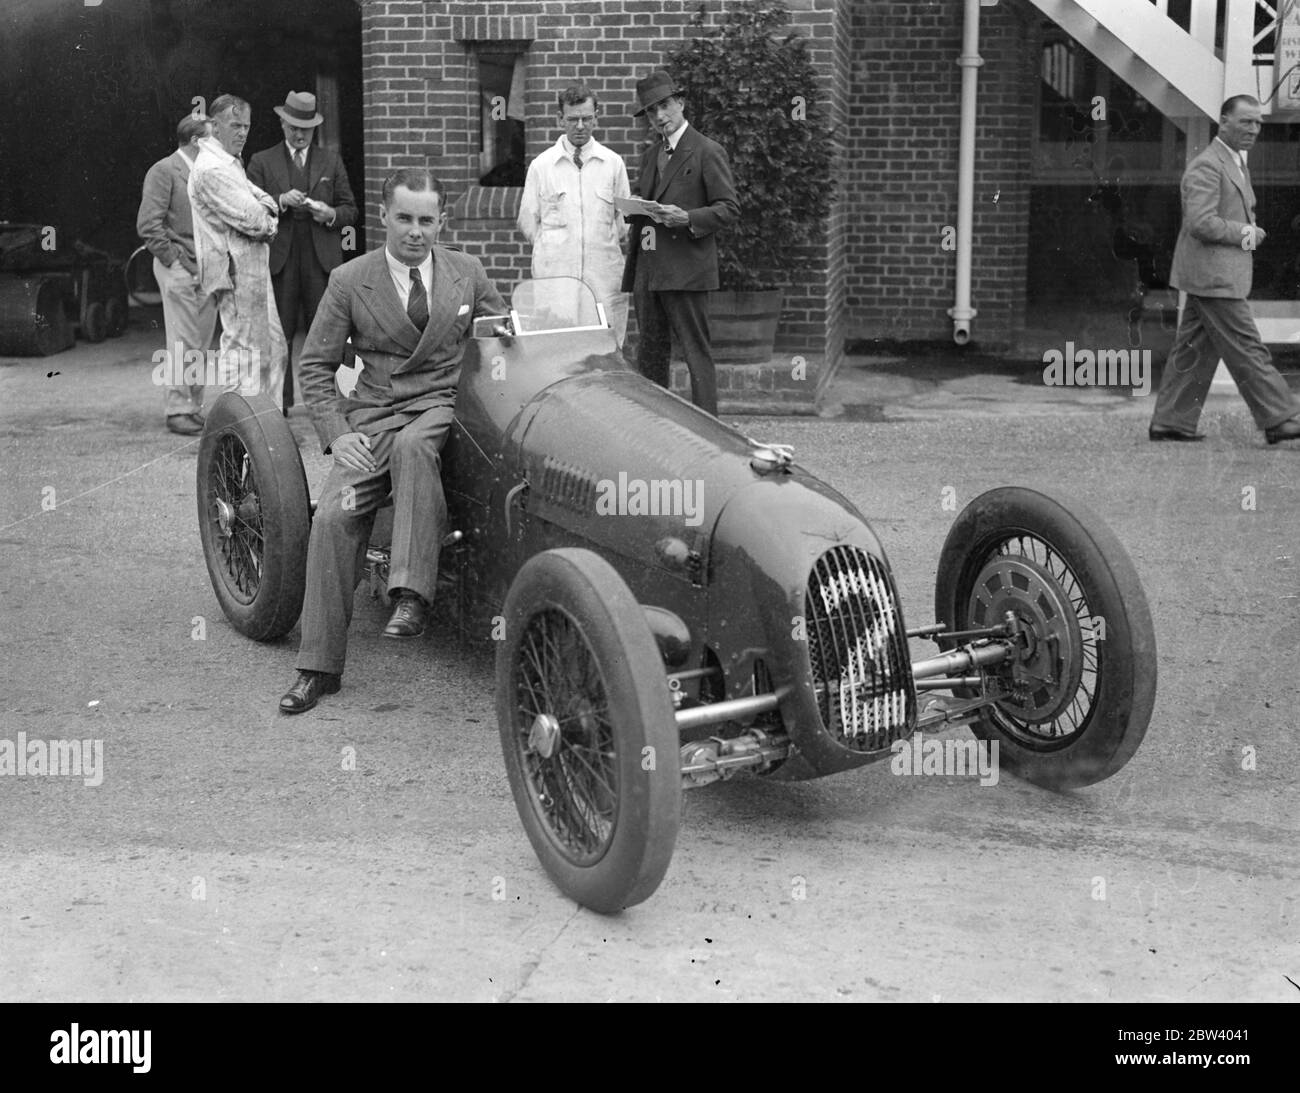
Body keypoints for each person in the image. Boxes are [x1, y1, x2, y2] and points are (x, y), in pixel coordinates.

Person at [279, 169, 508, 714]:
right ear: (384, 216)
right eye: (404, 218)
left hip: (441, 408)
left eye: (426, 221)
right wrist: (337, 435)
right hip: (373, 418)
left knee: (414, 447)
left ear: (441, 222)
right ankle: (318, 668)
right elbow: (314, 367)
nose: (415, 232)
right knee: (335, 515)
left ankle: (409, 593)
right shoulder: (349, 279)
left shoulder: (467, 272)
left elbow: (502, 334)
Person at [1148, 94, 1300, 444]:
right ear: (1224, 121)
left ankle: (1171, 421)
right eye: (1246, 121)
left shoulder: (1234, 161)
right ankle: (1280, 418)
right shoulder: (1208, 165)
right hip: (1213, 278)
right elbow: (1201, 222)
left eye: (1259, 122)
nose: (1254, 129)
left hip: (1213, 275)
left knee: (1193, 348)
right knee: (1248, 347)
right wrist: (1244, 233)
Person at [621, 69, 738, 415]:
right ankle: (657, 428)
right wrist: (633, 207)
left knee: (695, 353)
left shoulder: (706, 151)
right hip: (649, 272)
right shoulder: (649, 156)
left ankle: (710, 432)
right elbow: (648, 201)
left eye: (665, 106)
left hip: (686, 272)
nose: (659, 117)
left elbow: (729, 208)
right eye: (651, 112)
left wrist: (688, 218)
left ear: (681, 103)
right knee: (651, 356)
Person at [247, 91, 358, 412]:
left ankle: (327, 405)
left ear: (315, 129)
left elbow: (351, 210)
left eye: (305, 129)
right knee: (277, 335)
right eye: (293, 127)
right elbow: (247, 209)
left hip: (320, 259)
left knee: (326, 335)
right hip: (279, 259)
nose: (298, 134)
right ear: (282, 124)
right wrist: (280, 201)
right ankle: (277, 405)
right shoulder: (261, 162)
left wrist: (331, 214)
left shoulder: (330, 160)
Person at [189, 93, 288, 404]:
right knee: (245, 355)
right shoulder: (212, 169)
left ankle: (265, 426)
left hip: (252, 268)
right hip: (234, 271)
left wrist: (267, 212)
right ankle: (239, 429)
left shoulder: (230, 163)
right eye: (235, 125)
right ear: (215, 127)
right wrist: (270, 219)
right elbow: (259, 220)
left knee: (273, 348)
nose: (243, 132)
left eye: (246, 126)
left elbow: (267, 204)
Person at [517, 83, 630, 345]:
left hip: (603, 277)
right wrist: (555, 249)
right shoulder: (542, 166)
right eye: (573, 119)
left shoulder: (612, 163)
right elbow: (528, 221)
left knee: (604, 349)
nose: (580, 126)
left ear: (596, 118)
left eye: (586, 119)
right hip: (556, 278)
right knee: (556, 350)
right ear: (560, 119)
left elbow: (622, 222)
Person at [137, 114, 219, 435]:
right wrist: (173, 262)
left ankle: (193, 407)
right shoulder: (164, 170)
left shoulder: (209, 172)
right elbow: (149, 224)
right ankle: (177, 409)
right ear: (197, 140)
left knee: (200, 342)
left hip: (207, 270)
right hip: (179, 268)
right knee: (182, 341)